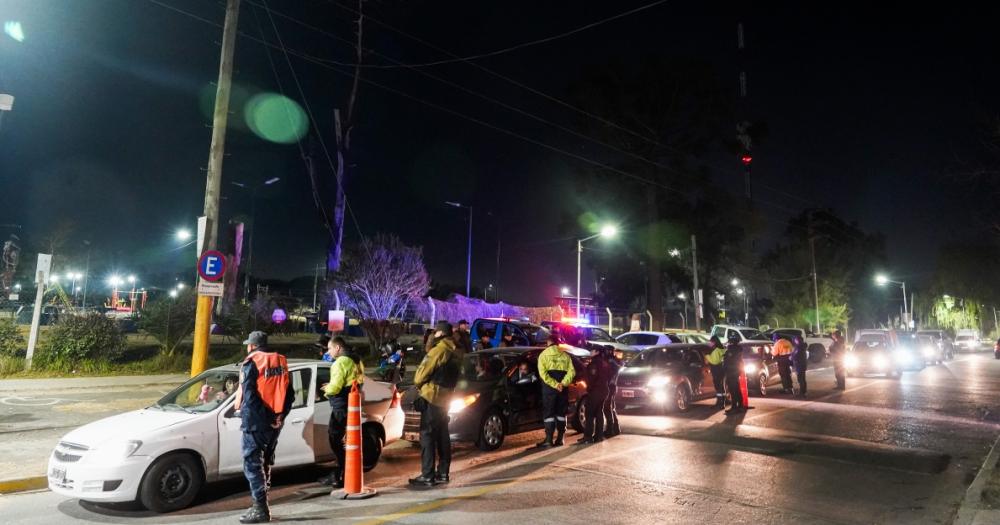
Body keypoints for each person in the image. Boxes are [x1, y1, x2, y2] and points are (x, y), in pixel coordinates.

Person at [235, 331, 293, 524]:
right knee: (265, 461)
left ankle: (260, 508)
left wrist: (267, 418)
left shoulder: (252, 362)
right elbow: (290, 394)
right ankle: (261, 502)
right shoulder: (281, 361)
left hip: (256, 422)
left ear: (252, 346)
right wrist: (279, 416)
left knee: (252, 464)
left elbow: (250, 397)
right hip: (275, 422)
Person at [410, 321, 461, 487]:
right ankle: (443, 473)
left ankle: (427, 475)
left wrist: (420, 387)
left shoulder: (438, 350)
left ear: (440, 333)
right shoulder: (457, 351)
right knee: (443, 436)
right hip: (447, 399)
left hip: (432, 397)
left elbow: (419, 376)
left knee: (427, 436)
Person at [318, 337, 364, 489]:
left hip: (340, 406)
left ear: (337, 348)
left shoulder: (340, 362)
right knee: (347, 441)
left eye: (330, 349)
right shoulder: (356, 360)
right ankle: (340, 474)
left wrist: (327, 389)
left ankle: (341, 474)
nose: (328, 352)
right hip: (351, 404)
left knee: (335, 439)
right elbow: (353, 381)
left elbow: (335, 387)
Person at [536, 333, 576, 448]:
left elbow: (543, 374)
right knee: (561, 413)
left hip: (549, 390)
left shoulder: (543, 355)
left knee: (549, 413)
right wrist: (562, 384)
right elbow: (572, 372)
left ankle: (548, 440)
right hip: (562, 390)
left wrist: (554, 384)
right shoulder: (565, 356)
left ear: (548, 342)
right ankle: (560, 438)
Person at [578, 347, 614, 444]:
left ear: (597, 352)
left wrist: (589, 388)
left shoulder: (594, 363)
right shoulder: (605, 363)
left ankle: (588, 437)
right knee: (599, 412)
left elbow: (592, 378)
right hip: (604, 390)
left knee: (589, 413)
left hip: (595, 391)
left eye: (592, 350)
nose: (590, 352)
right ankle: (599, 436)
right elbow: (610, 376)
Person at [722, 332, 745, 415]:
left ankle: (735, 407)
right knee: (737, 389)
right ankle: (740, 406)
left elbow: (727, 361)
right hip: (736, 371)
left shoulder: (731, 351)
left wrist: (725, 368)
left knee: (733, 390)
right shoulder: (739, 350)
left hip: (731, 372)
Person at [603, 348, 623, 438]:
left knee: (608, 407)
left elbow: (611, 374)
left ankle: (610, 430)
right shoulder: (614, 362)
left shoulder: (612, 362)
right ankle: (615, 428)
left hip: (610, 386)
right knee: (611, 407)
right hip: (613, 386)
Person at [705, 336, 727, 409]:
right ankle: (723, 402)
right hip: (721, 369)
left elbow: (714, 361)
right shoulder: (722, 349)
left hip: (716, 370)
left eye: (710, 342)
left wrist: (707, 356)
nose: (709, 343)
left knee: (718, 387)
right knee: (721, 386)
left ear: (714, 342)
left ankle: (719, 403)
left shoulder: (715, 350)